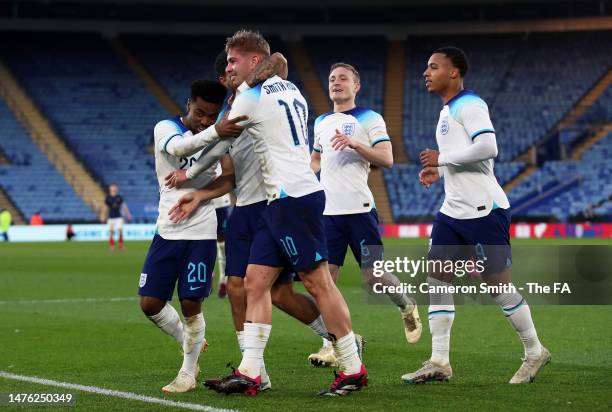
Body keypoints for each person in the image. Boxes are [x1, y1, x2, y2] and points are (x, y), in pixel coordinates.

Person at [166, 50, 356, 391]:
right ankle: (253, 370)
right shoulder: (241, 105)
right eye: (226, 67)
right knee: (249, 285)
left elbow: (278, 60)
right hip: (259, 206)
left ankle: (344, 346)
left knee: (300, 287)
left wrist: (187, 164)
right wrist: (196, 182)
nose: (228, 71)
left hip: (284, 200)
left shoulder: (256, 98)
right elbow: (226, 167)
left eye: (233, 63)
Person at [402, 47, 550, 384]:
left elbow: (488, 148)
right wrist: (439, 173)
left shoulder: (470, 104)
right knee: (437, 280)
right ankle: (439, 361)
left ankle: (534, 351)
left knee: (499, 287)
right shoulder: (446, 111)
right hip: (452, 212)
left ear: (453, 72)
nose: (426, 72)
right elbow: (470, 161)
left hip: (484, 210)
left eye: (433, 67)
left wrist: (441, 160)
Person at [309, 62, 422, 367]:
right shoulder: (320, 121)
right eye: (332, 78)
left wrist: (356, 144)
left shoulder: (369, 118)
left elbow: (387, 158)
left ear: (356, 86)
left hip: (359, 211)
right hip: (328, 214)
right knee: (324, 283)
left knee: (374, 276)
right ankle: (331, 344)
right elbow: (317, 159)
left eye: (343, 78)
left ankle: (407, 306)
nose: (336, 82)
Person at [138, 79, 244, 393]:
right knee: (150, 304)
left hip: (201, 231)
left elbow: (228, 179)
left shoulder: (216, 137)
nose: (204, 121)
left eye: (211, 116)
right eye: (199, 113)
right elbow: (178, 149)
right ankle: (190, 341)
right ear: (189, 104)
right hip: (167, 229)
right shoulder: (165, 128)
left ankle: (188, 371)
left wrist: (200, 195)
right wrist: (218, 131)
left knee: (190, 302)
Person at [104, 184, 132, 251]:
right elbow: (105, 207)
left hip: (118, 217)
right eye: (112, 187)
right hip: (111, 217)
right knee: (111, 232)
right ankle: (112, 246)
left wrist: (128, 214)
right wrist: (104, 216)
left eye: (115, 187)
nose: (113, 188)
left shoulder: (119, 197)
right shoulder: (108, 197)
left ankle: (121, 245)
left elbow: (124, 206)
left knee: (120, 230)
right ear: (110, 188)